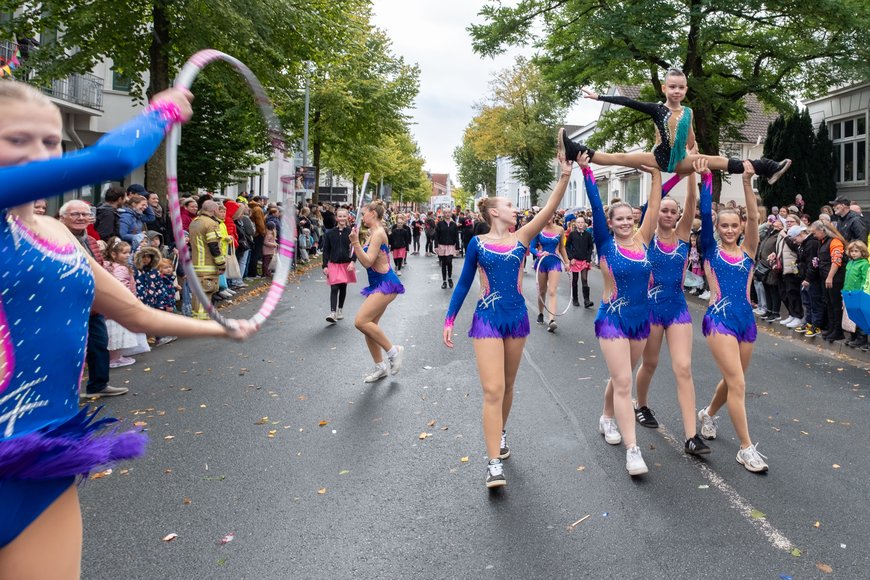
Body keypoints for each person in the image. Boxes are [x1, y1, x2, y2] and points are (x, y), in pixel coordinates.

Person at [0, 80, 258, 579]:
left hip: (40, 467)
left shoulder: (55, 234)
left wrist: (221, 328)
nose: (39, 155)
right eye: (16, 140)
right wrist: (160, 112)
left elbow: (133, 313)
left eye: (51, 143)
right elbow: (116, 157)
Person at [443, 153, 572, 488]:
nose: (516, 209)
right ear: (494, 212)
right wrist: (449, 319)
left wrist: (564, 176)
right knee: (493, 388)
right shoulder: (477, 243)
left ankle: (500, 432)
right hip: (487, 318)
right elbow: (464, 282)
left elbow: (549, 208)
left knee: (509, 384)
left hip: (516, 318)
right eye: (510, 206)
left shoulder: (523, 237)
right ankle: (493, 463)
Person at [577, 150, 663, 476]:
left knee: (621, 375)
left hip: (641, 319)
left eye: (630, 217)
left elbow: (654, 207)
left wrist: (655, 175)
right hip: (611, 318)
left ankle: (606, 415)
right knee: (624, 381)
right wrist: (586, 171)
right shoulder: (605, 243)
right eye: (619, 219)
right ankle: (633, 450)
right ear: (611, 224)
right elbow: (596, 207)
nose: (626, 222)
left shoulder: (643, 240)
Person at [559, 69, 791, 183]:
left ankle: (767, 167)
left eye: (681, 87)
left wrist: (694, 152)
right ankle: (573, 149)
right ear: (664, 88)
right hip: (657, 158)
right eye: (672, 87)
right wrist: (600, 97)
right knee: (617, 157)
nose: (677, 91)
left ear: (686, 90)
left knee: (718, 160)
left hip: (681, 159)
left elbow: (690, 139)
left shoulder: (688, 112)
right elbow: (629, 102)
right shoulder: (657, 109)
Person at [695, 161, 768, 473]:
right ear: (717, 227)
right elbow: (704, 207)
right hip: (719, 319)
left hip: (745, 321)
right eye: (723, 225)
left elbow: (753, 216)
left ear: (739, 227)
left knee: (732, 379)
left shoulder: (749, 249)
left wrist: (748, 182)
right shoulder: (711, 250)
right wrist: (705, 179)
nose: (728, 229)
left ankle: (709, 413)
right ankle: (746, 448)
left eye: (733, 225)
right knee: (738, 382)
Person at [633, 162, 709, 455]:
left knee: (683, 367)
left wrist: (691, 172)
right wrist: (657, 179)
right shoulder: (647, 237)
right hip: (650, 308)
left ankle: (691, 436)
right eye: (663, 210)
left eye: (672, 210)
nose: (667, 214)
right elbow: (653, 207)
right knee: (649, 364)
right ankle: (641, 404)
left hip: (677, 309)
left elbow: (692, 202)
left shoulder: (682, 236)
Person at [58, 200, 127, 398]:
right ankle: (65, 393)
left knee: (99, 344)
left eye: (84, 214)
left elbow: (100, 269)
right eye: (75, 214)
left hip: (93, 304)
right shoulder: (55, 239)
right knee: (69, 349)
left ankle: (98, 385)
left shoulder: (91, 242)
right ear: (62, 218)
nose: (80, 218)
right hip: (66, 305)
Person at [349, 200, 405, 383]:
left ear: (373, 213)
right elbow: (363, 258)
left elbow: (367, 261)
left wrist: (356, 243)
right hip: (377, 284)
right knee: (369, 326)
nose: (362, 216)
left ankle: (393, 351)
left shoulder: (379, 233)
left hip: (386, 284)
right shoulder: (372, 233)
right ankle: (380, 367)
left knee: (360, 321)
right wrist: (356, 244)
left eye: (364, 213)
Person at [188, 200, 226, 319]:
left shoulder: (195, 222)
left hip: (196, 264)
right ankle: (202, 319)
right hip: (207, 265)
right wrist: (221, 264)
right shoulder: (211, 224)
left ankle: (197, 316)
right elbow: (214, 246)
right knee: (206, 291)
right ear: (214, 210)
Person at [530, 214, 568, 331]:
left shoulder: (560, 229)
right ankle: (541, 313)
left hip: (554, 262)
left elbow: (562, 248)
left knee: (552, 290)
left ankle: (552, 320)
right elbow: (531, 247)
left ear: (553, 216)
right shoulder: (538, 229)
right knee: (542, 291)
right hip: (542, 262)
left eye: (550, 215)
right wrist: (539, 253)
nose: (548, 218)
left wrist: (566, 262)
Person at [811, 220, 846, 342]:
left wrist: (830, 277)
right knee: (829, 304)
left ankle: (838, 331)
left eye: (815, 232)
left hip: (834, 278)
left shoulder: (835, 242)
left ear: (822, 230)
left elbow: (836, 261)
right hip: (825, 277)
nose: (814, 235)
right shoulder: (823, 242)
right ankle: (832, 328)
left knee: (835, 305)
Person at [321, 208, 356, 324]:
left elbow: (355, 248)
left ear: (347, 217)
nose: (342, 218)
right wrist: (324, 265)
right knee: (334, 287)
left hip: (346, 264)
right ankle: (332, 312)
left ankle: (340, 309)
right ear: (336, 218)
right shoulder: (330, 233)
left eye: (344, 216)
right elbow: (326, 250)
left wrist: (352, 261)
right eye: (339, 216)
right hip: (334, 264)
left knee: (343, 287)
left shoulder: (351, 232)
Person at [791, 225, 824, 338]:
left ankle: (816, 325)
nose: (794, 242)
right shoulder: (803, 245)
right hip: (804, 277)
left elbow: (813, 263)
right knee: (807, 302)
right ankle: (809, 322)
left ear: (800, 235)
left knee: (815, 302)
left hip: (811, 279)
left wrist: (808, 278)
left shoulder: (811, 244)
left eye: (795, 239)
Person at [843, 241, 869, 348]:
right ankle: (853, 336)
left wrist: (862, 292)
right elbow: (846, 279)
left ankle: (861, 338)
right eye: (852, 251)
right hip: (848, 293)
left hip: (858, 294)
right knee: (851, 316)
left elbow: (865, 279)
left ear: (862, 252)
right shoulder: (850, 263)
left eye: (856, 251)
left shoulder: (864, 264)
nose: (853, 253)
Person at [566, 216, 594, 308]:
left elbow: (590, 247)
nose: (580, 224)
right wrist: (571, 258)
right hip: (575, 260)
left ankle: (587, 300)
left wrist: (588, 259)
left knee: (584, 279)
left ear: (585, 224)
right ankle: (575, 299)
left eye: (582, 222)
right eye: (578, 222)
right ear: (576, 224)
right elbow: (567, 247)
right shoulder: (572, 234)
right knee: (575, 280)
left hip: (584, 260)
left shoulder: (588, 235)